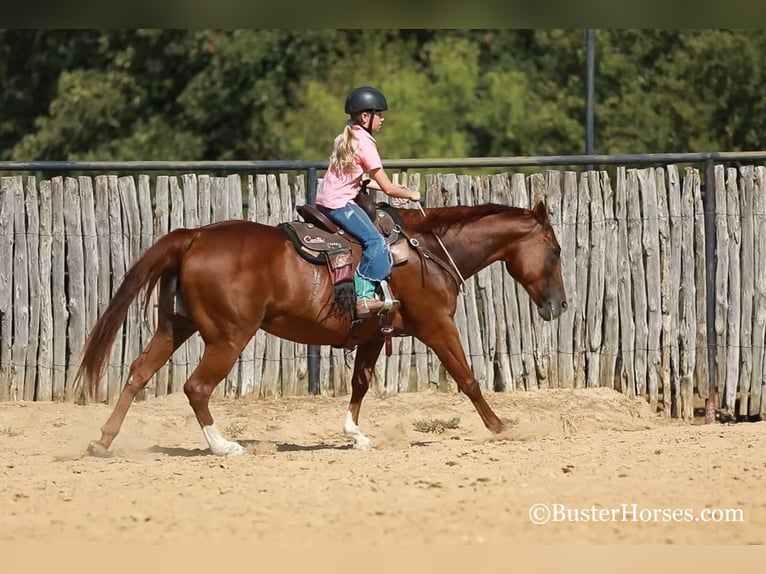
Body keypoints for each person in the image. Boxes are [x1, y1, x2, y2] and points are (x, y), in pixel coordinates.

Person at [316, 86, 420, 318]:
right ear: (365, 116)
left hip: (325, 201)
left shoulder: (345, 137)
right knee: (375, 241)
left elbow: (357, 178)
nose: (382, 119)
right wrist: (410, 195)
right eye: (379, 114)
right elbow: (386, 185)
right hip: (340, 204)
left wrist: (393, 190)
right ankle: (363, 296)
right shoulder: (365, 143)